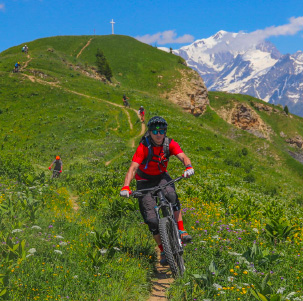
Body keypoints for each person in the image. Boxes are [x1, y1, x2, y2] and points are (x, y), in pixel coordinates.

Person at [120, 116, 194, 265]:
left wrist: (188, 167)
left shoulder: (169, 143)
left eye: (161, 131)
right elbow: (133, 168)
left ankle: (181, 231)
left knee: (172, 197)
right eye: (154, 131)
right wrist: (126, 186)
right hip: (144, 181)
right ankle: (163, 251)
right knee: (152, 220)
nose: (158, 134)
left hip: (161, 177)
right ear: (150, 132)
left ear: (165, 131)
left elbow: (183, 156)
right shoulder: (144, 147)